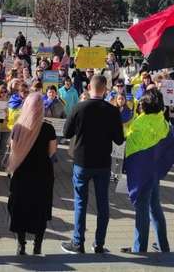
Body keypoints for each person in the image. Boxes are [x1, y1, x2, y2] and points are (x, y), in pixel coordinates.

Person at [61, 75, 124, 254]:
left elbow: (66, 133)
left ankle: (78, 242)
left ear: (89, 87)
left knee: (80, 202)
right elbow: (119, 140)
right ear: (105, 89)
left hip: (82, 161)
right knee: (102, 203)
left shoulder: (79, 107)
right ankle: (99, 244)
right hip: (103, 163)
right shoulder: (112, 111)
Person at [121, 91, 174, 253]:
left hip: (142, 174)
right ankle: (163, 245)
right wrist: (161, 165)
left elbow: (127, 144)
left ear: (144, 106)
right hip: (154, 172)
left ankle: (139, 247)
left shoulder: (139, 124)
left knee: (142, 211)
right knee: (155, 208)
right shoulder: (162, 121)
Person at [6, 92, 57, 255]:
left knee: (20, 207)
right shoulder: (48, 128)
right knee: (40, 208)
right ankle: (38, 245)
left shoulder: (18, 128)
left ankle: (21, 245)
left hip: (22, 172)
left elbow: (13, 150)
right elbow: (52, 151)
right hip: (42, 173)